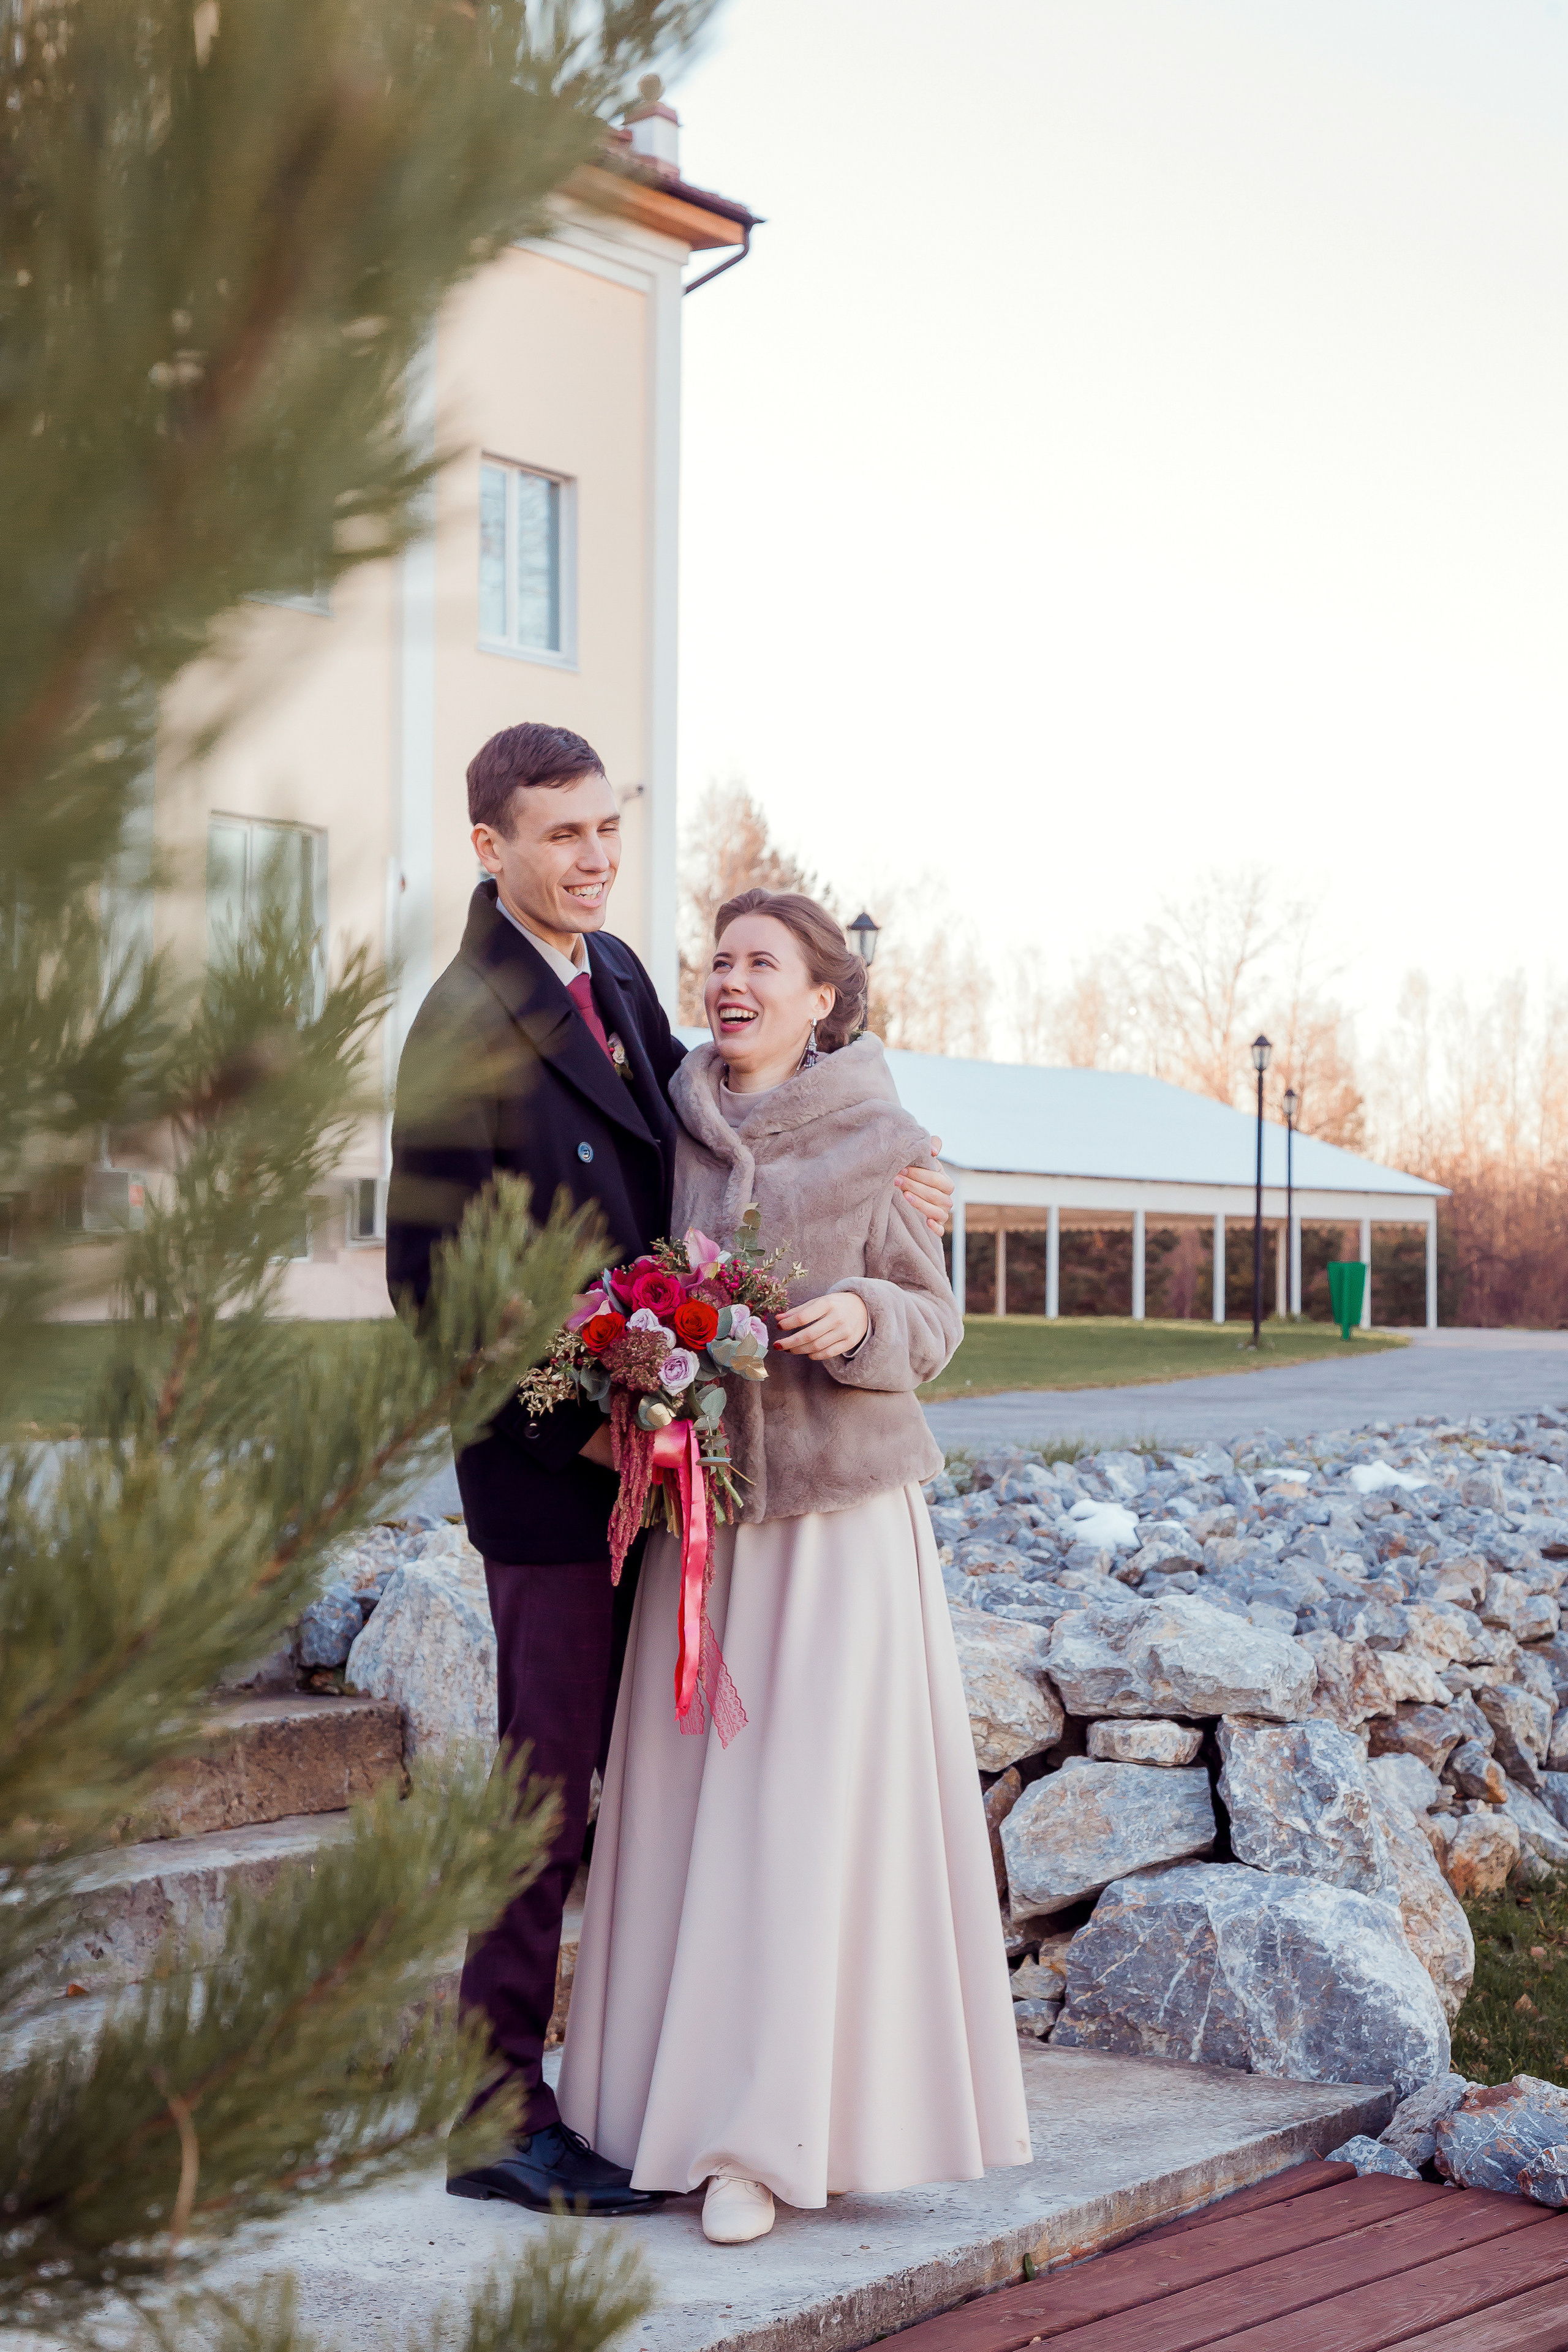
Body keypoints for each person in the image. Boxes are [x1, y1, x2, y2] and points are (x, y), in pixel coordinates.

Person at [385, 728, 956, 2218]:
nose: (590, 858)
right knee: (544, 1794)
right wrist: (588, 1417)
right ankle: (492, 2111)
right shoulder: (461, 1021)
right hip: (559, 1477)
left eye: (604, 829)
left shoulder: (622, 975)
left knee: (659, 1801)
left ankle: (658, 2089)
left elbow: (730, 1125)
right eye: (557, 834)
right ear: (487, 848)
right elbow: (432, 1285)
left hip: (675, 1464)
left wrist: (890, 1162)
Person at [558, 889, 1031, 2244]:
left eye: (760, 963)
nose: (728, 980)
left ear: (823, 998)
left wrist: (863, 1313)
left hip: (836, 1534)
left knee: (803, 1830)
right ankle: (668, 2114)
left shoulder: (887, 1142)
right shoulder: (672, 1123)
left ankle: (771, 2145)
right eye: (717, 959)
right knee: (694, 1830)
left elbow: (935, 1321)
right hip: (702, 1529)